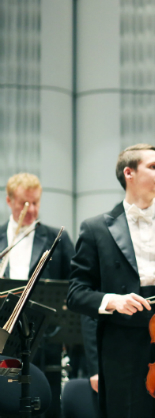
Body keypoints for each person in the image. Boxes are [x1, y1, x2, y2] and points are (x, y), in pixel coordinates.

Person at [67, 143, 155, 418]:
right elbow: (76, 292)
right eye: (153, 166)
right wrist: (113, 301)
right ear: (129, 173)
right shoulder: (96, 228)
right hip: (121, 347)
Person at [1, 173, 75, 418]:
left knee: (45, 406)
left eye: (35, 203)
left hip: (45, 341)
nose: (31, 210)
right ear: (9, 201)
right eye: (24, 203)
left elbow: (72, 286)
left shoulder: (57, 239)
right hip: (3, 341)